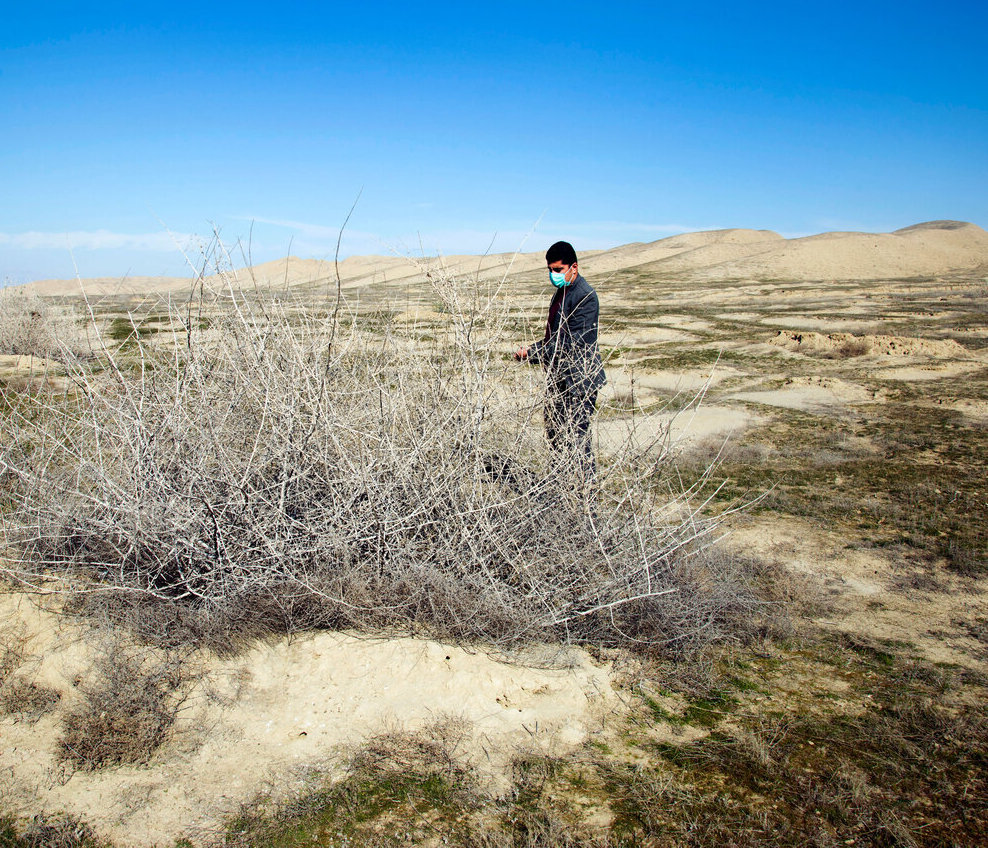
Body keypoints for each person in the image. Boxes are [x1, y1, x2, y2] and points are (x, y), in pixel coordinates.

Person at [515, 241, 606, 487]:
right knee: (555, 434)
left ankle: (587, 501)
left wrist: (532, 352)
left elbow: (570, 344)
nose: (553, 274)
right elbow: (555, 338)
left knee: (577, 440)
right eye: (550, 269)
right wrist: (534, 349)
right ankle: (559, 490)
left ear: (573, 267)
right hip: (560, 378)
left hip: (579, 380)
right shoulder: (563, 291)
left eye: (558, 269)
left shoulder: (585, 296)